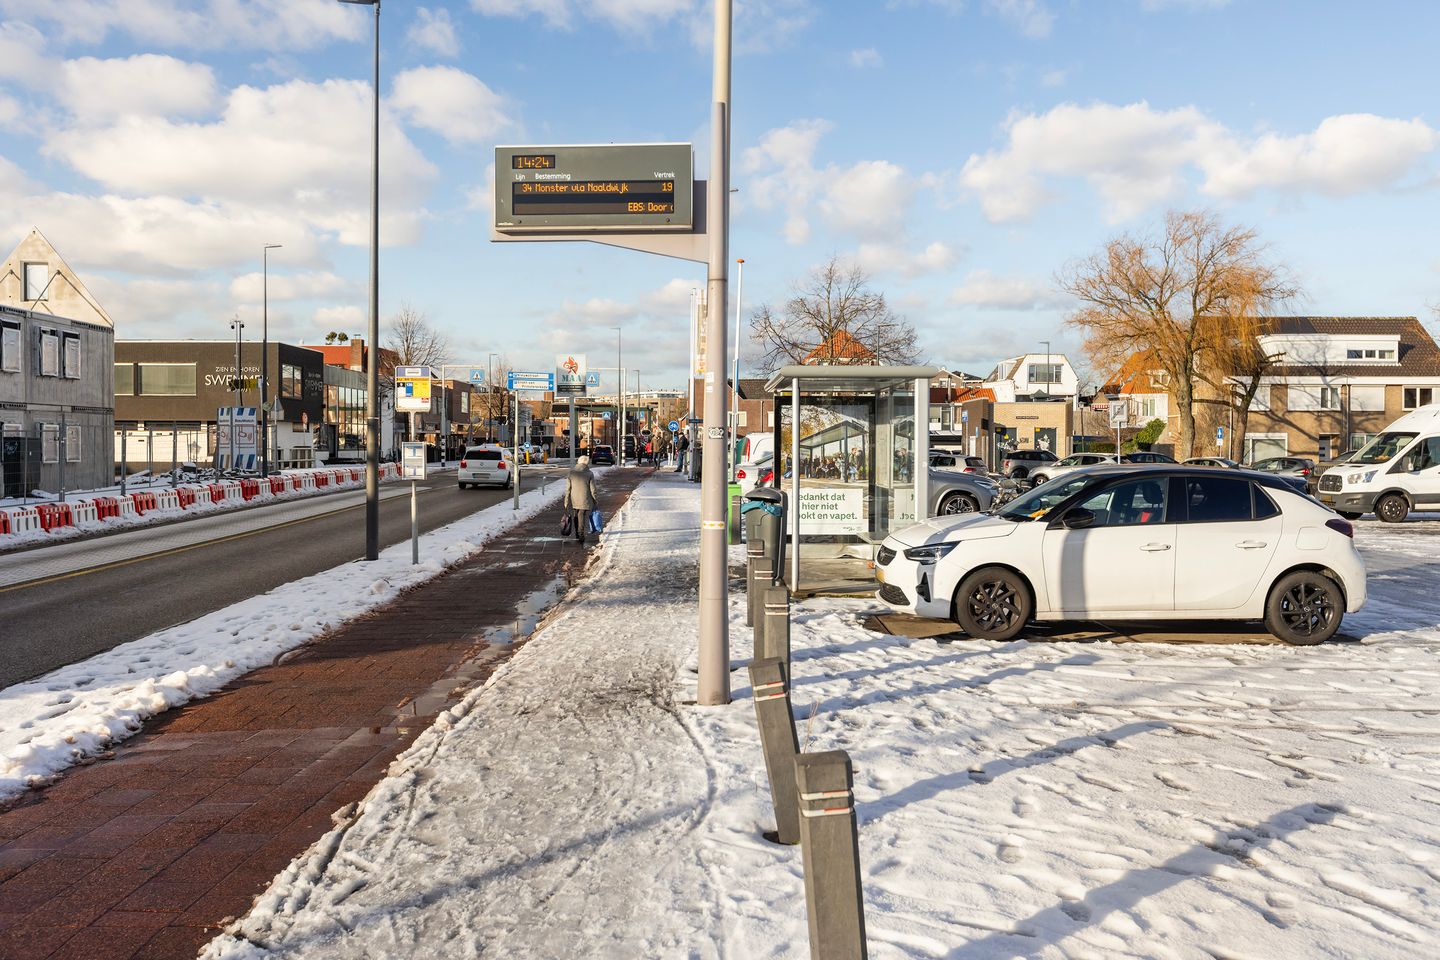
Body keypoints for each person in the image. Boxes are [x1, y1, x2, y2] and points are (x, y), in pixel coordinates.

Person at [564, 455, 599, 546]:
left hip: (574, 497)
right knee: (581, 515)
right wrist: (595, 499)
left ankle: (577, 532)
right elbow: (593, 489)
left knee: (576, 513)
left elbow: (568, 489)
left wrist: (566, 502)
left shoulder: (571, 473)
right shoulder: (589, 473)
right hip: (585, 498)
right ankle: (581, 533)